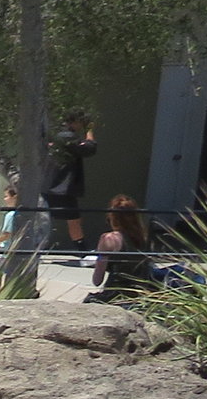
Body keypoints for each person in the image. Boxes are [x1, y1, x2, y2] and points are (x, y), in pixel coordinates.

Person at [43, 112, 96, 250]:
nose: (80, 126)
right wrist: (89, 130)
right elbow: (90, 148)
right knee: (74, 220)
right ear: (73, 122)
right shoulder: (67, 137)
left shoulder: (56, 135)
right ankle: (83, 252)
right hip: (61, 188)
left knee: (43, 218)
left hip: (49, 185)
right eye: (80, 122)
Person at [91, 195, 160, 298]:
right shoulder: (145, 238)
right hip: (140, 295)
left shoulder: (109, 239)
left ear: (112, 216)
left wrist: (100, 257)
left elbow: (97, 281)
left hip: (116, 294)